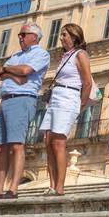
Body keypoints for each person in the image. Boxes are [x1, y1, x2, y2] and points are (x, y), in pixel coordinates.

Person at [0, 22, 50, 200]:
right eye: (19, 34)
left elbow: (25, 72)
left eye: (23, 34)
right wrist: (12, 73)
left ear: (34, 36)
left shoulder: (41, 53)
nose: (20, 37)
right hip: (6, 100)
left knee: (17, 144)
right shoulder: (15, 55)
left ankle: (14, 188)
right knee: (1, 147)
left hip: (22, 99)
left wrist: (7, 70)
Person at [39, 23, 94, 195]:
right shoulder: (64, 56)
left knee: (59, 142)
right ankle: (52, 184)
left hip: (69, 97)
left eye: (64, 34)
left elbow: (87, 82)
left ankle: (60, 187)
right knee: (48, 142)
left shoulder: (81, 54)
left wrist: (80, 106)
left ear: (74, 36)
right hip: (56, 98)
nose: (61, 37)